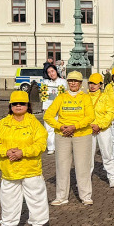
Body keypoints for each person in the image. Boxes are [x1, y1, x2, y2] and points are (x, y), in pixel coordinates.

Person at [0, 91, 50, 226]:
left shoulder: (34, 123)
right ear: (10, 106)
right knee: (8, 199)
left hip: (30, 168)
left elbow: (41, 144)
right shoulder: (2, 124)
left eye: (22, 103)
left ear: (27, 105)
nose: (18, 106)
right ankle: (7, 225)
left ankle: (38, 225)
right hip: (9, 169)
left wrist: (23, 152)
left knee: (36, 197)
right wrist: (6, 151)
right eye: (15, 104)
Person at [44, 72, 95, 206]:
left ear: (80, 83)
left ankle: (85, 195)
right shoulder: (61, 97)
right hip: (63, 135)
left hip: (82, 135)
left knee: (82, 166)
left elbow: (90, 116)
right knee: (62, 166)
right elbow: (48, 115)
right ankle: (61, 196)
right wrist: (60, 126)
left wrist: (75, 126)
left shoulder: (85, 98)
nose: (73, 83)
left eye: (76, 81)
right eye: (70, 81)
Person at [87, 73, 114, 187]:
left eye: (95, 83)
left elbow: (110, 113)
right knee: (88, 156)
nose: (93, 86)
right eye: (91, 83)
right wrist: (90, 125)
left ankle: (112, 177)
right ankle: (85, 179)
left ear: (100, 85)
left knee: (107, 153)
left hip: (103, 129)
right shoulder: (85, 97)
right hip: (89, 129)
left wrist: (100, 125)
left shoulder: (105, 97)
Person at [40, 65, 67, 154]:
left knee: (60, 127)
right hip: (49, 109)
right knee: (49, 128)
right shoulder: (46, 83)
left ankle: (60, 146)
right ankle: (51, 147)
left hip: (60, 109)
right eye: (49, 72)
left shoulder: (63, 82)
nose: (51, 74)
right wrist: (44, 107)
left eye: (52, 71)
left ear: (56, 71)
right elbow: (45, 97)